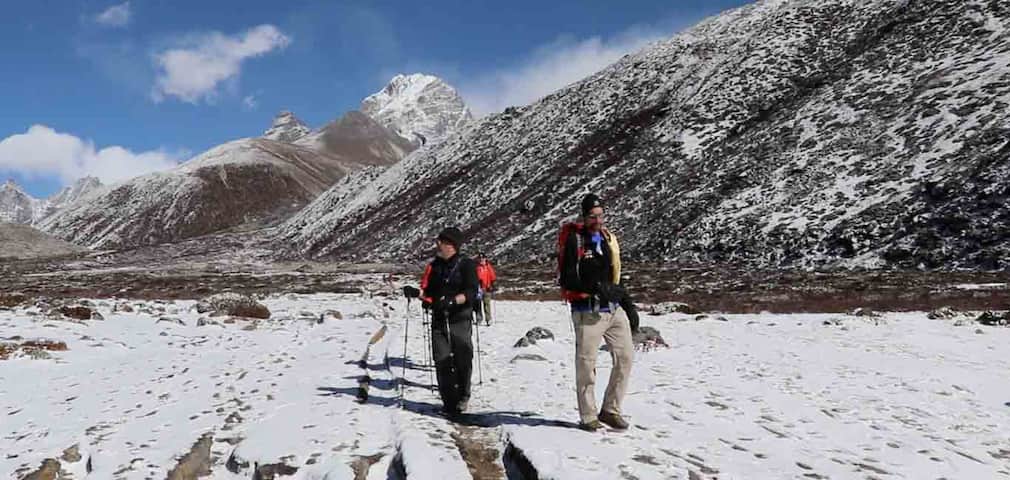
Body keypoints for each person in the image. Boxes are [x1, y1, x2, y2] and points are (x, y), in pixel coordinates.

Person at [558, 193, 634, 431]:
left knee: (625, 358)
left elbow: (616, 275)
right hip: (587, 311)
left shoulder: (608, 238)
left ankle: (611, 409)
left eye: (601, 215)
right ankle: (588, 415)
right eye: (593, 216)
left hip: (612, 308)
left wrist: (628, 304)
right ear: (584, 216)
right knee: (586, 364)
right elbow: (567, 278)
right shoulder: (575, 241)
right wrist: (596, 288)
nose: (598, 220)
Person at [419, 227, 479, 415]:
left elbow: (471, 291)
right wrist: (418, 294)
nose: (437, 244)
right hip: (439, 319)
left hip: (459, 318)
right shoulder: (435, 265)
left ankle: (463, 395)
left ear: (451, 245)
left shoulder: (466, 265)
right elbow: (428, 291)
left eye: (441, 241)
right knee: (441, 359)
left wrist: (454, 301)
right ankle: (449, 402)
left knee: (463, 358)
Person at [475, 252, 497, 326]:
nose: (481, 259)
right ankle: (479, 319)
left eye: (482, 258)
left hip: (487, 288)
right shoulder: (476, 267)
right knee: (478, 305)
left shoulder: (488, 267)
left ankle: (488, 319)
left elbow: (492, 276)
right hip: (478, 289)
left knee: (487, 304)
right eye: (480, 258)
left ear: (485, 258)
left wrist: (493, 284)